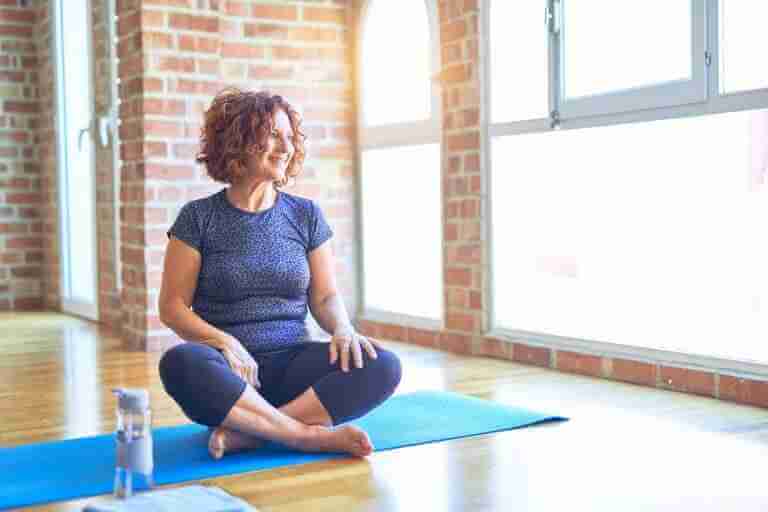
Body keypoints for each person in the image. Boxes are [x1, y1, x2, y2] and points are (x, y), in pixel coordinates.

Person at [157, 88, 402, 460]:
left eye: (290, 137)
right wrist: (226, 343)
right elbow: (173, 307)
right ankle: (305, 436)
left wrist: (343, 328)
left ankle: (253, 433)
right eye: (273, 134)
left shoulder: (305, 215)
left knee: (382, 364)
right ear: (238, 141)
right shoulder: (198, 218)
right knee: (179, 363)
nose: (286, 147)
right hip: (229, 376)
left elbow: (324, 297)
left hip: (293, 367)